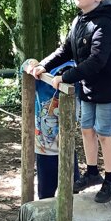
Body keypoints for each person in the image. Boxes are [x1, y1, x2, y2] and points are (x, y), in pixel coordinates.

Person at [29, 0, 111, 204]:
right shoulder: (78, 22)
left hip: (108, 88)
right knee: (86, 130)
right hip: (88, 87)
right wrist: (44, 65)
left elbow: (97, 60)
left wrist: (65, 77)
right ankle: (92, 172)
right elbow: (65, 50)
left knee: (104, 134)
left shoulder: (105, 23)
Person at [24, 58, 80, 200]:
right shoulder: (41, 82)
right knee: (46, 194)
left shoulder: (79, 83)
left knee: (73, 191)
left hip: (68, 149)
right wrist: (31, 63)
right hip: (45, 151)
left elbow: (97, 66)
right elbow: (24, 66)